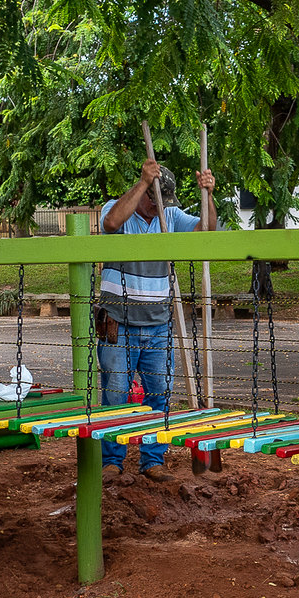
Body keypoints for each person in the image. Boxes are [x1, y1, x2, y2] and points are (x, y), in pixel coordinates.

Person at [97, 156, 217, 479]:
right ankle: (112, 461)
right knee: (116, 393)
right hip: (117, 323)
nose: (159, 209)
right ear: (146, 194)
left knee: (159, 394)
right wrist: (141, 182)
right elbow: (110, 223)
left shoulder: (170, 216)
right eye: (155, 201)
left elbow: (206, 229)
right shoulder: (119, 208)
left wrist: (208, 195)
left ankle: (153, 461)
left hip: (158, 323)